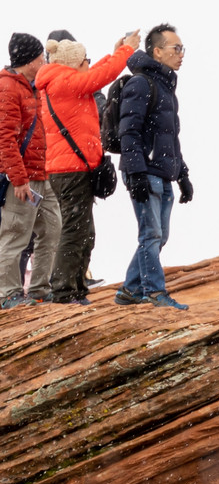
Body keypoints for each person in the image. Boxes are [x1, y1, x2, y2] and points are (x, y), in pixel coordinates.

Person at [38, 28, 139, 305]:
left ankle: (77, 287)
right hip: (70, 170)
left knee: (84, 232)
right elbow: (100, 76)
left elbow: (96, 73)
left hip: (71, 169)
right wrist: (126, 50)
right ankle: (63, 291)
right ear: (74, 65)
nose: (89, 64)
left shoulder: (63, 81)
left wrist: (114, 50)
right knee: (74, 231)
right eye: (86, 60)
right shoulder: (63, 83)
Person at [116, 24, 192, 310]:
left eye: (183, 48)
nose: (182, 54)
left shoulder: (165, 87)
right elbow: (129, 132)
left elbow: (170, 137)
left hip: (163, 172)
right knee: (152, 234)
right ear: (157, 51)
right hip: (145, 171)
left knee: (160, 235)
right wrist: (135, 173)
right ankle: (154, 292)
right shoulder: (141, 83)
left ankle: (131, 289)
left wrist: (183, 175)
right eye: (177, 48)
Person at [0, 33, 62, 310]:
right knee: (15, 234)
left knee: (52, 228)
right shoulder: (8, 88)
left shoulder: (31, 86)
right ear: (30, 60)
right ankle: (7, 293)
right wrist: (19, 179)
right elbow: (5, 138)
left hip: (41, 173)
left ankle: (39, 288)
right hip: (22, 179)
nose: (43, 61)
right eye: (40, 58)